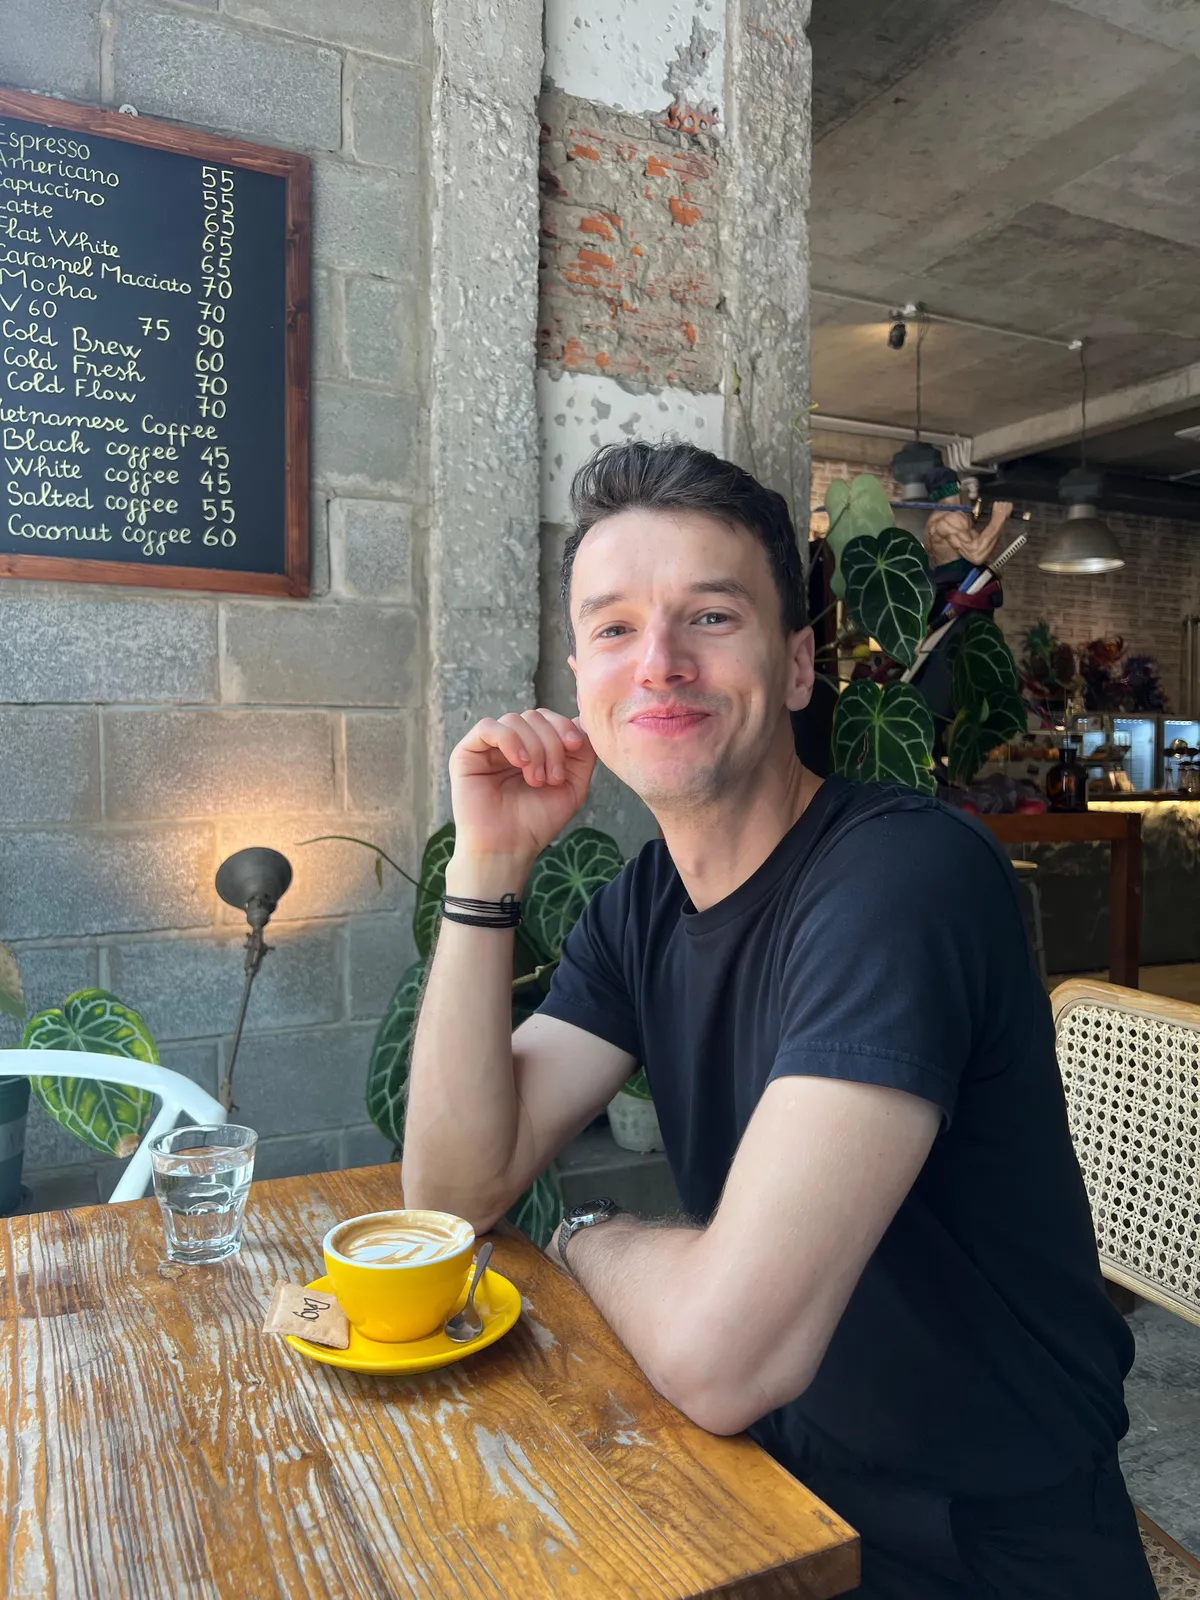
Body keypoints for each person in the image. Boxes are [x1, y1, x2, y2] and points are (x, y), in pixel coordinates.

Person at [401, 440, 1155, 1599]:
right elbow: (454, 1191)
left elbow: (723, 1356)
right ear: (582, 678)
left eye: (711, 617)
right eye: (615, 627)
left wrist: (585, 1233)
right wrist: (487, 868)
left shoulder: (901, 880)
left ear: (797, 665)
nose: (660, 662)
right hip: (769, 1486)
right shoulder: (644, 902)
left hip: (977, 1543)